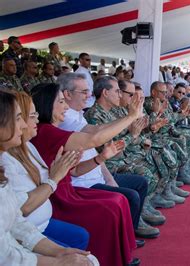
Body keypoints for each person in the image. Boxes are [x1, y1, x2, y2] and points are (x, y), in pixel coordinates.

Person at [29, 82, 143, 266]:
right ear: (47, 104)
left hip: (68, 192)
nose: (66, 106)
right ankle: (110, 260)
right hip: (60, 198)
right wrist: (131, 116)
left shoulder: (53, 130)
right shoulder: (45, 131)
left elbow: (74, 171)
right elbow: (94, 138)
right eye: (61, 102)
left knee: (119, 200)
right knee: (110, 207)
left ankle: (120, 257)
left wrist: (101, 158)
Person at [57, 73, 162, 238]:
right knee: (133, 192)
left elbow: (97, 149)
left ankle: (131, 229)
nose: (88, 95)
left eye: (88, 91)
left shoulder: (77, 115)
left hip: (98, 171)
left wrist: (109, 178)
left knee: (141, 182)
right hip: (84, 182)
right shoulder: (66, 119)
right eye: (83, 92)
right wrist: (131, 118)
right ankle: (127, 236)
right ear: (67, 94)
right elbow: (97, 136)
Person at [0, 89, 94, 266]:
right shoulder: (7, 159)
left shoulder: (25, 148)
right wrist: (56, 261)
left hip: (34, 230)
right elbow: (5, 254)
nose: (24, 125)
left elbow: (14, 222)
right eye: (19, 118)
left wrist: (59, 251)